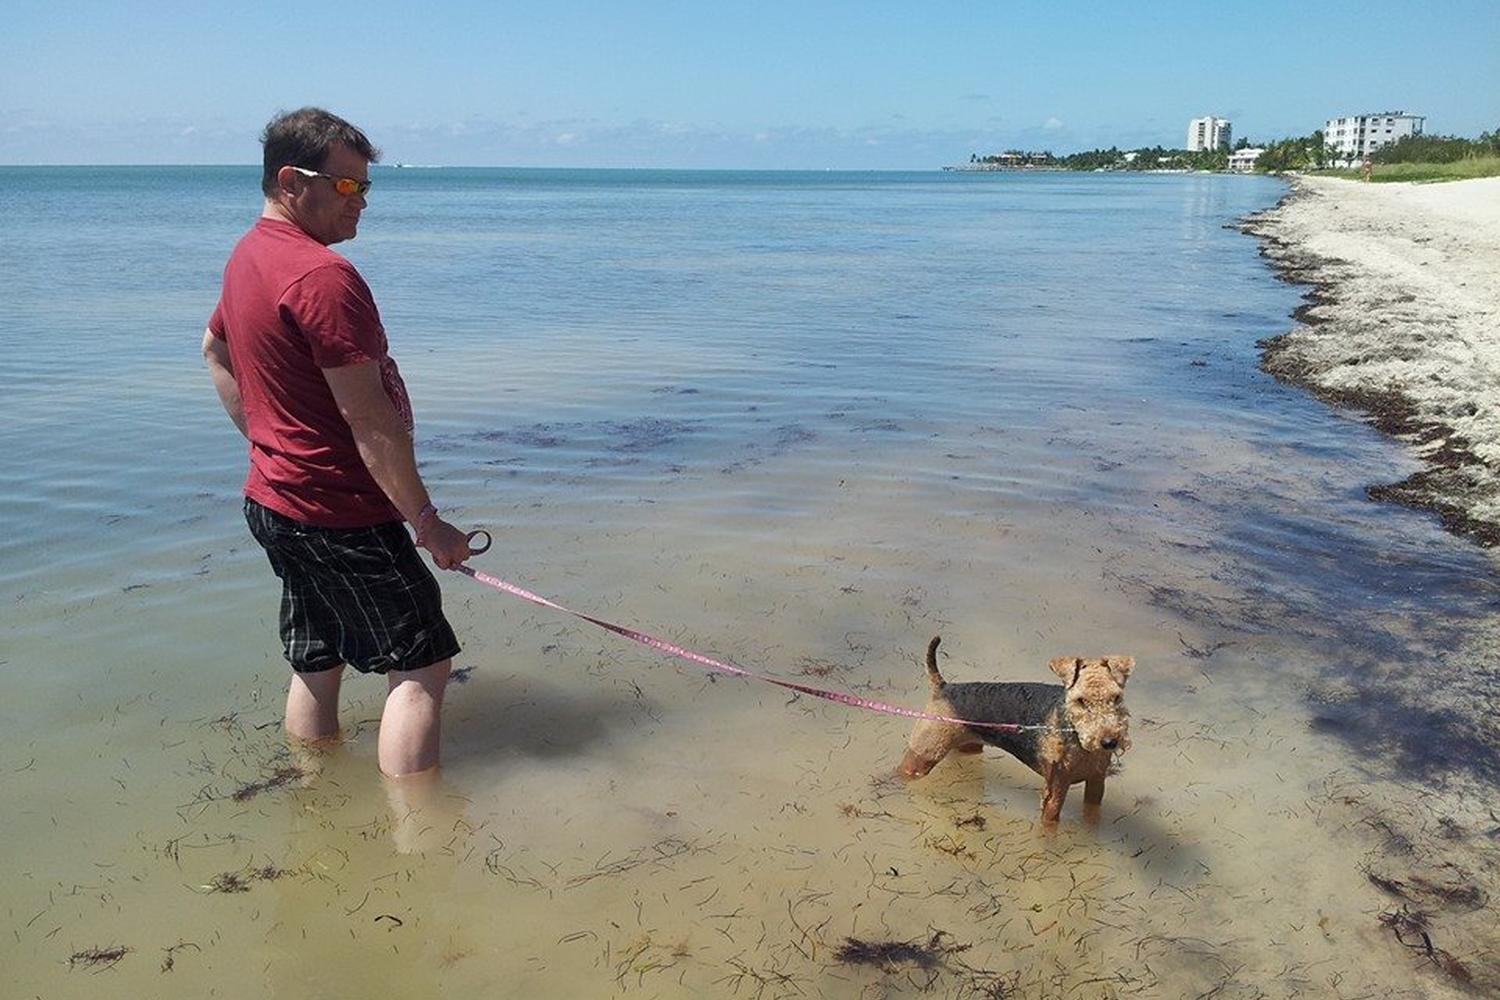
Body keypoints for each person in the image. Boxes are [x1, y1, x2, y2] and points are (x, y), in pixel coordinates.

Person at [202, 107, 472, 777]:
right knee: (422, 663)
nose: (362, 201)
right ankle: (418, 827)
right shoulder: (323, 277)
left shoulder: (249, 253)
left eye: (366, 186)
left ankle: (313, 790)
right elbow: (370, 419)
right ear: (292, 182)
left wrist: (269, 445)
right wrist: (427, 521)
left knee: (319, 655)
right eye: (347, 185)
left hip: (276, 501)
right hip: (338, 512)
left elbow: (214, 350)